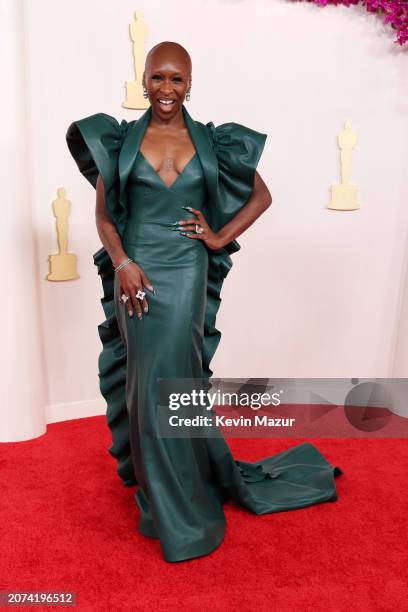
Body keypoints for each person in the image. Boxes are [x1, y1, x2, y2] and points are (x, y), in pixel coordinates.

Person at [66, 41, 343, 563]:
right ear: (142, 79)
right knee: (146, 386)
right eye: (157, 78)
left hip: (187, 271)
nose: (166, 89)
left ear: (189, 85)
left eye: (176, 80)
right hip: (138, 273)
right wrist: (123, 263)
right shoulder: (120, 141)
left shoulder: (214, 143)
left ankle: (183, 493)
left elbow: (262, 195)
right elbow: (104, 217)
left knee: (179, 380)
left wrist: (216, 237)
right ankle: (163, 498)